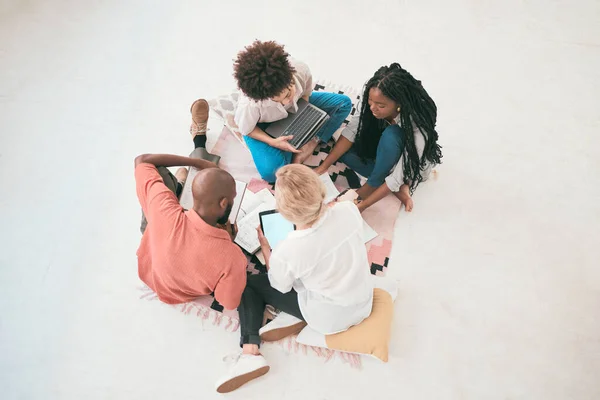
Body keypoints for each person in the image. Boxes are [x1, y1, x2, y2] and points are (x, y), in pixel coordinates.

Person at [215, 165, 373, 393]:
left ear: (284, 212)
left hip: (329, 318)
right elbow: (341, 210)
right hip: (362, 300)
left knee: (247, 284)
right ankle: (294, 316)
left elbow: (280, 284)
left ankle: (250, 353)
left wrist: (268, 251)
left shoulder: (289, 251)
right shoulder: (348, 211)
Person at [314, 63, 443, 212]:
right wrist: (323, 167)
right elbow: (351, 131)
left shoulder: (418, 124)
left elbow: (402, 169)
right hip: (382, 153)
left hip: (408, 162)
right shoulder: (373, 96)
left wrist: (363, 205)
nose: (373, 108)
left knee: (392, 134)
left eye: (381, 106)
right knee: (344, 151)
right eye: (370, 102)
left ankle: (375, 185)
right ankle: (396, 187)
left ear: (399, 104)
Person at [135, 150, 247, 310]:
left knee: (158, 174)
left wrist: (197, 163)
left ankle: (180, 183)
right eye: (233, 198)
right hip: (180, 293)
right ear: (223, 203)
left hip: (150, 263)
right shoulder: (233, 257)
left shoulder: (165, 208)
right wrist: (228, 241)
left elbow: (142, 160)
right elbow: (228, 303)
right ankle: (179, 182)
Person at [232, 40, 352, 182]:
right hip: (260, 127)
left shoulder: (301, 69)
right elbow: (246, 130)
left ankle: (313, 141)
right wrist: (273, 142)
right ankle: (291, 153)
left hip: (297, 110)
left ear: (290, 79)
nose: (286, 102)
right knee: (272, 173)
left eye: (288, 94)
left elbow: (306, 94)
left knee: (343, 103)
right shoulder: (251, 104)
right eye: (277, 101)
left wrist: (304, 117)